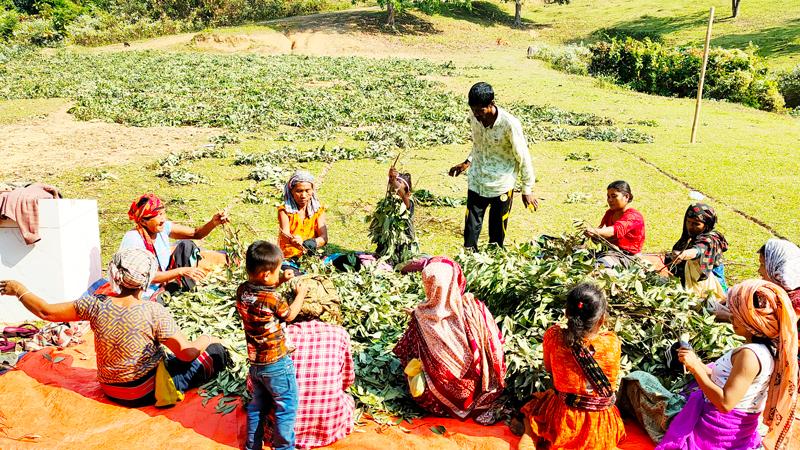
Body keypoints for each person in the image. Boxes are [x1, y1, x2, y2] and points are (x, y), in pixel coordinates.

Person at [0, 248, 229, 407]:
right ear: (148, 279)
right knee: (217, 352)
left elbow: (46, 311)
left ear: (114, 275)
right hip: (144, 392)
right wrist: (205, 339)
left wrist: (19, 289)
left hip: (109, 388)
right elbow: (187, 353)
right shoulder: (152, 311)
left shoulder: (95, 303)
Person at [655, 279, 798, 450]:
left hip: (717, 434)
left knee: (640, 381)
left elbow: (725, 403)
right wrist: (697, 362)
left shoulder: (750, 356)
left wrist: (694, 367)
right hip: (729, 428)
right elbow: (724, 383)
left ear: (749, 320)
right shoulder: (766, 350)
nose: (730, 317)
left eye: (735, 314)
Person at [393, 257, 506, 424]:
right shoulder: (474, 308)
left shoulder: (421, 317)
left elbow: (405, 351)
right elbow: (496, 345)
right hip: (480, 390)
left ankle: (435, 397)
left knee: (411, 353)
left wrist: (414, 317)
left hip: (438, 400)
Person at [518, 283, 625, 450]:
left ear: (567, 313)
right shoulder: (612, 342)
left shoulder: (554, 336)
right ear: (602, 319)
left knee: (535, 407)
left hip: (564, 421)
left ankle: (530, 437)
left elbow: (548, 369)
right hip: (600, 425)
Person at [448, 82, 537, 250]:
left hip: (500, 185)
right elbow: (479, 145)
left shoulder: (509, 124)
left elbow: (523, 156)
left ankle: (493, 266)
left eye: (480, 111)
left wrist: (527, 189)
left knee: (496, 238)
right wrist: (467, 162)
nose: (476, 115)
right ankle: (468, 264)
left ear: (491, 104)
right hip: (477, 181)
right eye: (473, 110)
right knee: (470, 235)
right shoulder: (474, 117)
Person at [235, 240, 305, 450]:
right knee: (287, 406)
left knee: (258, 406)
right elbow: (290, 315)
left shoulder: (243, 291)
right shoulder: (273, 298)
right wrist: (301, 294)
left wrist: (280, 280)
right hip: (276, 363)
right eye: (277, 271)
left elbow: (261, 296)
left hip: (256, 364)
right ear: (266, 274)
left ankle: (252, 446)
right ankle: (284, 447)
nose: (279, 274)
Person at [120, 193, 229, 301]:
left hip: (163, 280)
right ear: (143, 221)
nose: (162, 219)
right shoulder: (133, 239)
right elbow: (146, 277)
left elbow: (196, 234)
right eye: (157, 216)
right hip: (144, 292)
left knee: (186, 247)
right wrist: (180, 271)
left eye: (163, 213)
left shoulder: (163, 227)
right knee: (163, 302)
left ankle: (179, 285)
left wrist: (213, 222)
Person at [284, 313, 355, 448]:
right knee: (349, 400)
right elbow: (347, 380)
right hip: (329, 426)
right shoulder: (339, 334)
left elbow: (256, 385)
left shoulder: (280, 334)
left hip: (281, 429)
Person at [585, 180, 646, 268]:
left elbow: (615, 230)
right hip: (609, 252)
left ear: (626, 196)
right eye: (608, 197)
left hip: (626, 257)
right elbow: (601, 233)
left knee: (600, 267)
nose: (610, 200)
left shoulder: (633, 216)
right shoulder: (610, 213)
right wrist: (593, 235)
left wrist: (595, 231)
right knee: (576, 256)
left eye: (614, 196)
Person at [278, 171, 328, 274]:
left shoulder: (318, 211)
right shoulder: (284, 212)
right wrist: (295, 240)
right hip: (290, 258)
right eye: (299, 191)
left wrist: (313, 243)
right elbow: (285, 234)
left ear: (312, 190)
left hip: (312, 257)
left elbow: (324, 237)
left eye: (307, 190)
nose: (303, 195)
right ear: (291, 191)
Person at [758, 238, 800, 315]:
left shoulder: (795, 305)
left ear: (778, 267)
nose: (759, 271)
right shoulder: (774, 290)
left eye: (763, 265)